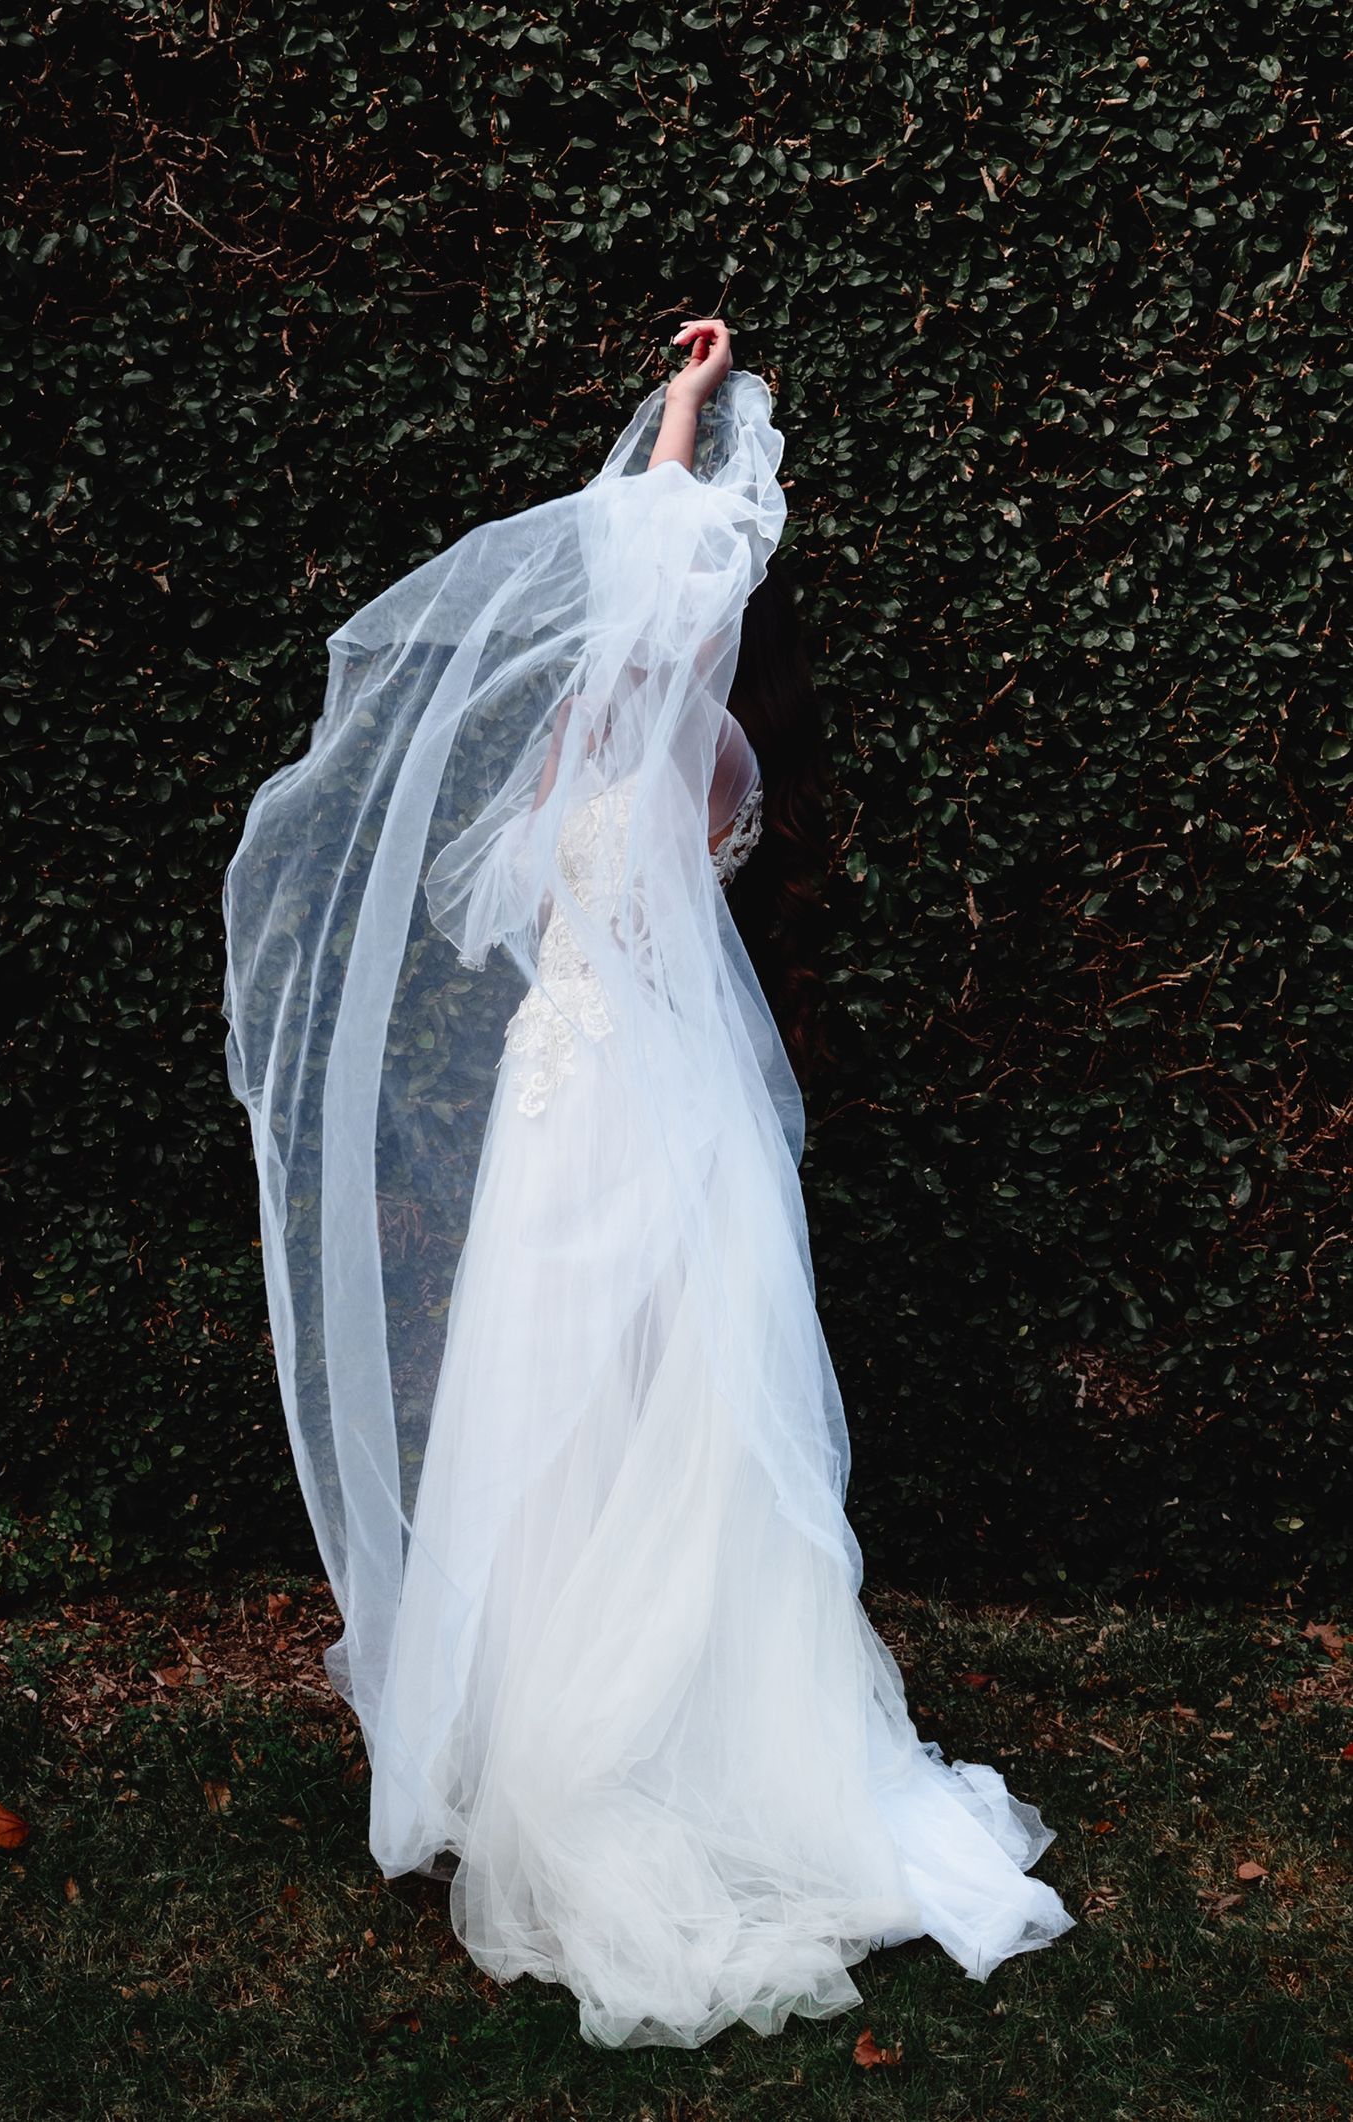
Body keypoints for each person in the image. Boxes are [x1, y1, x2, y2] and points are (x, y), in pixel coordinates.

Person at [221, 320, 1074, 2049]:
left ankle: (649, 1735)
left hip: (619, 1104)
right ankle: (561, 1721)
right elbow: (636, 591)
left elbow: (641, 651)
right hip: (585, 1105)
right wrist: (685, 415)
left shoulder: (685, 756)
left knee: (652, 1412)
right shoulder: (618, 749)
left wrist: (686, 446)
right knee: (559, 1410)